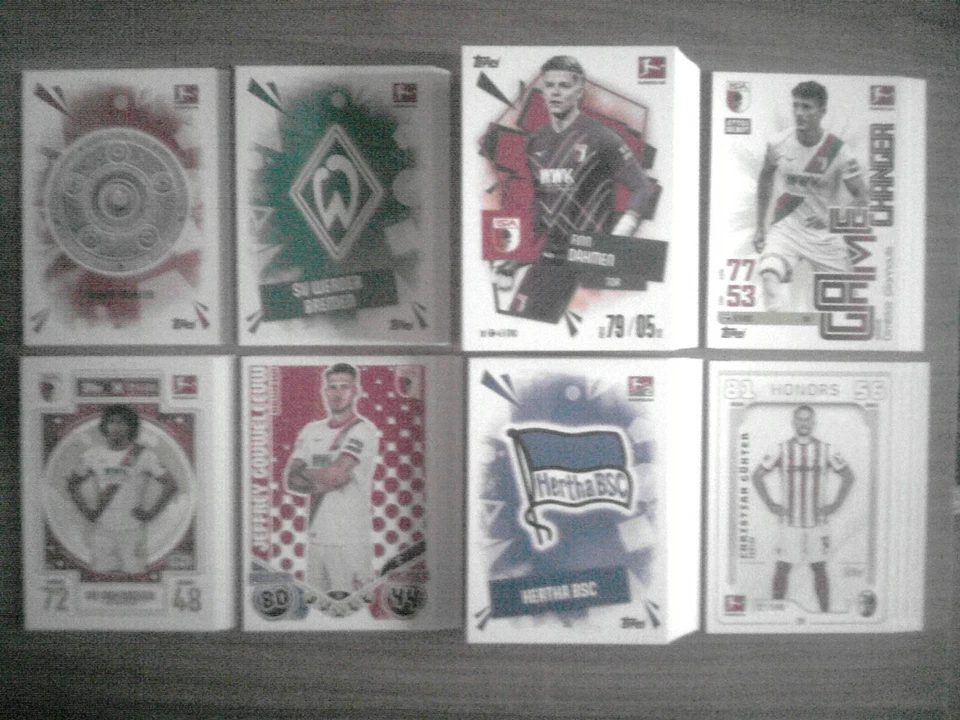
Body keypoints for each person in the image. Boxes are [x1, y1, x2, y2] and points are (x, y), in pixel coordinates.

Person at [525, 55, 656, 260]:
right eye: (549, 85)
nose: (555, 92)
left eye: (564, 86)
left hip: (591, 255)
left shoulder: (601, 136)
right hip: (551, 255)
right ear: (542, 90)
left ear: (579, 91)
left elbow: (643, 187)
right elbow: (540, 203)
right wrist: (519, 254)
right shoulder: (535, 141)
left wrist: (620, 237)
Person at [753, 80, 868, 311]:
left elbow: (862, 197)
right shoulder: (777, 144)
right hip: (786, 230)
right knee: (768, 275)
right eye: (796, 106)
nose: (799, 113)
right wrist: (760, 227)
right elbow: (765, 178)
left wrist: (833, 219)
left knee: (845, 305)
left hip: (823, 235)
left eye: (806, 107)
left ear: (822, 111)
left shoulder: (838, 150)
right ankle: (777, 327)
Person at [284, 363, 380, 598]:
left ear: (356, 391)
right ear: (324, 392)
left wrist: (309, 473)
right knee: (317, 607)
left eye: (344, 387)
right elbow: (290, 479)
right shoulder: (311, 430)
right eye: (332, 387)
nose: (337, 393)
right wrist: (324, 476)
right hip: (317, 536)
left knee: (350, 608)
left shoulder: (363, 430)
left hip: (350, 538)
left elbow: (335, 475)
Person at [751, 405, 855, 612]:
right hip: (790, 523)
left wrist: (835, 505)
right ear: (794, 422)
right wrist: (770, 504)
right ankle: (776, 615)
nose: (804, 423)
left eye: (807, 419)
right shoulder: (780, 449)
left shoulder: (826, 449)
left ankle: (824, 615)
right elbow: (757, 476)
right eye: (800, 419)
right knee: (782, 568)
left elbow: (848, 476)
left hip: (817, 524)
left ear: (813, 422)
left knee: (819, 568)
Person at [67, 404, 178, 574]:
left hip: (132, 531)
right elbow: (72, 484)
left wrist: (151, 513)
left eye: (121, 423)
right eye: (111, 422)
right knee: (100, 577)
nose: (116, 427)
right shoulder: (92, 455)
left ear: (131, 427)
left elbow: (170, 485)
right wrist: (86, 511)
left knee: (136, 577)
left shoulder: (144, 455)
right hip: (103, 530)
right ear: (105, 426)